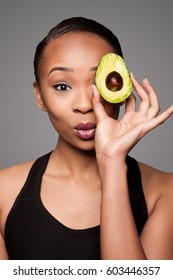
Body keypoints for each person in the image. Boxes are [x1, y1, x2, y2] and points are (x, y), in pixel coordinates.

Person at [0, 17, 173, 260]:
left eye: (99, 83)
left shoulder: (166, 191)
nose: (83, 105)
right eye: (62, 86)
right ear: (39, 97)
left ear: (120, 90)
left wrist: (112, 163)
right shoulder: (2, 193)